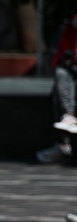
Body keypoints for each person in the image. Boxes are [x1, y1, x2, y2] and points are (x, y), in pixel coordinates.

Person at [36, 13, 77, 164]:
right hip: (72, 72)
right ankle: (63, 141)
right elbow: (60, 55)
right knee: (61, 80)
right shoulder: (69, 29)